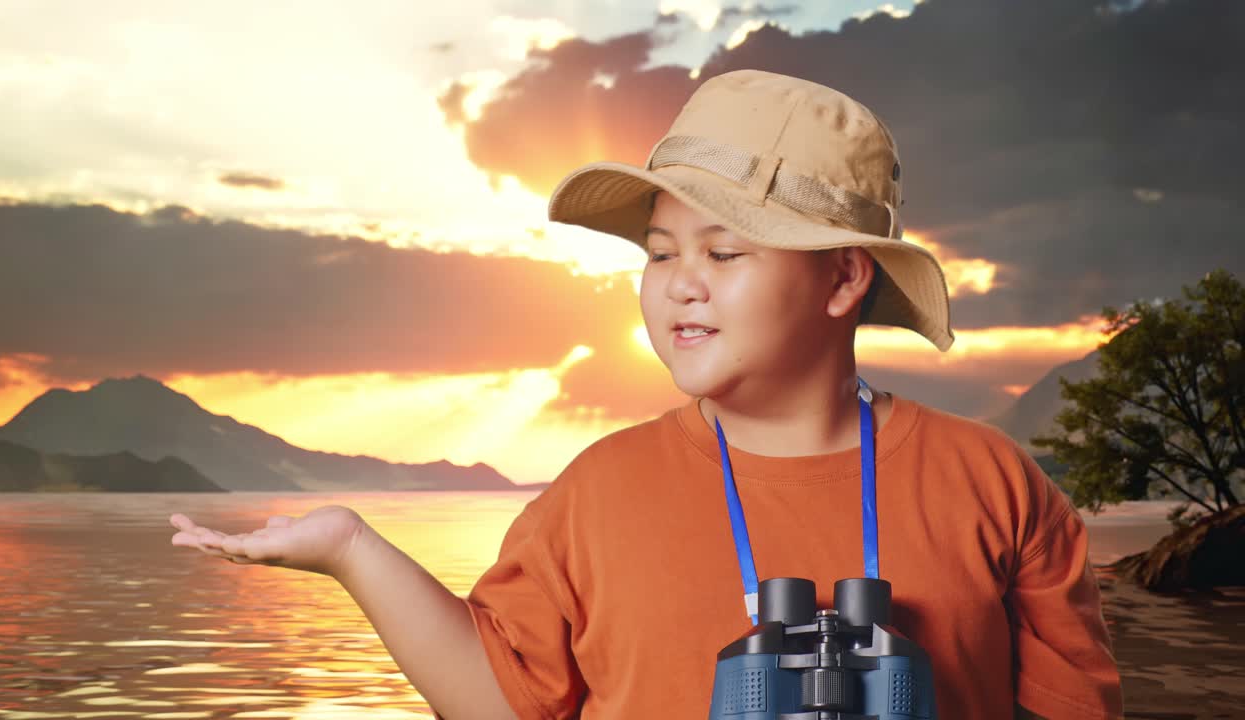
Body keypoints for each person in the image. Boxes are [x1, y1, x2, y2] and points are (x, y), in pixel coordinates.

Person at [170, 69, 1122, 719]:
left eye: (724, 250)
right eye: (661, 252)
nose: (680, 282)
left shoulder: (991, 481)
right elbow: (505, 699)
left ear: (842, 281)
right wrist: (350, 549)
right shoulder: (598, 492)